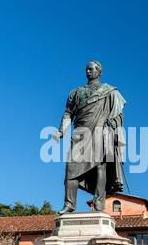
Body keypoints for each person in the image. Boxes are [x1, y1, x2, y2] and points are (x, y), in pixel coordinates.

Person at [53, 61, 126, 214]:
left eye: (91, 69)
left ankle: (99, 205)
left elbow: (118, 114)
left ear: (99, 72)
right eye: (86, 69)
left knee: (101, 167)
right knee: (71, 169)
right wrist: (61, 131)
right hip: (80, 134)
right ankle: (69, 204)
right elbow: (68, 114)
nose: (88, 71)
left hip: (101, 131)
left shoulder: (111, 91)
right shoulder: (76, 92)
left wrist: (113, 122)